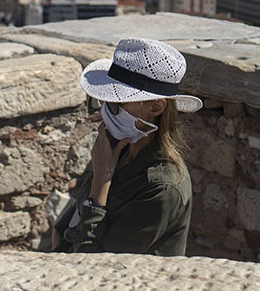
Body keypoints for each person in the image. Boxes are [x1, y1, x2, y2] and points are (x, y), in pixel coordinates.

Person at [50, 37, 202, 255]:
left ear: (156, 107)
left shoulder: (162, 188)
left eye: (115, 104)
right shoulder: (119, 151)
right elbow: (70, 226)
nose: (104, 113)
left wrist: (100, 185)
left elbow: (97, 269)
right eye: (104, 102)